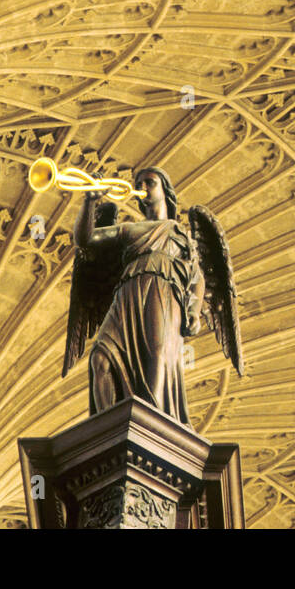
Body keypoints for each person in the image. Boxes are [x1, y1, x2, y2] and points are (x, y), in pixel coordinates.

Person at [73, 166, 203, 425]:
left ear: (164, 190)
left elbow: (197, 279)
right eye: (139, 183)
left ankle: (150, 431)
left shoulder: (181, 236)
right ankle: (108, 430)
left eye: (149, 182)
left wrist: (194, 312)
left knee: (155, 363)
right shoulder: (129, 231)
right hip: (127, 296)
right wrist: (90, 201)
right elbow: (85, 240)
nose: (142, 188)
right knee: (100, 359)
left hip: (162, 297)